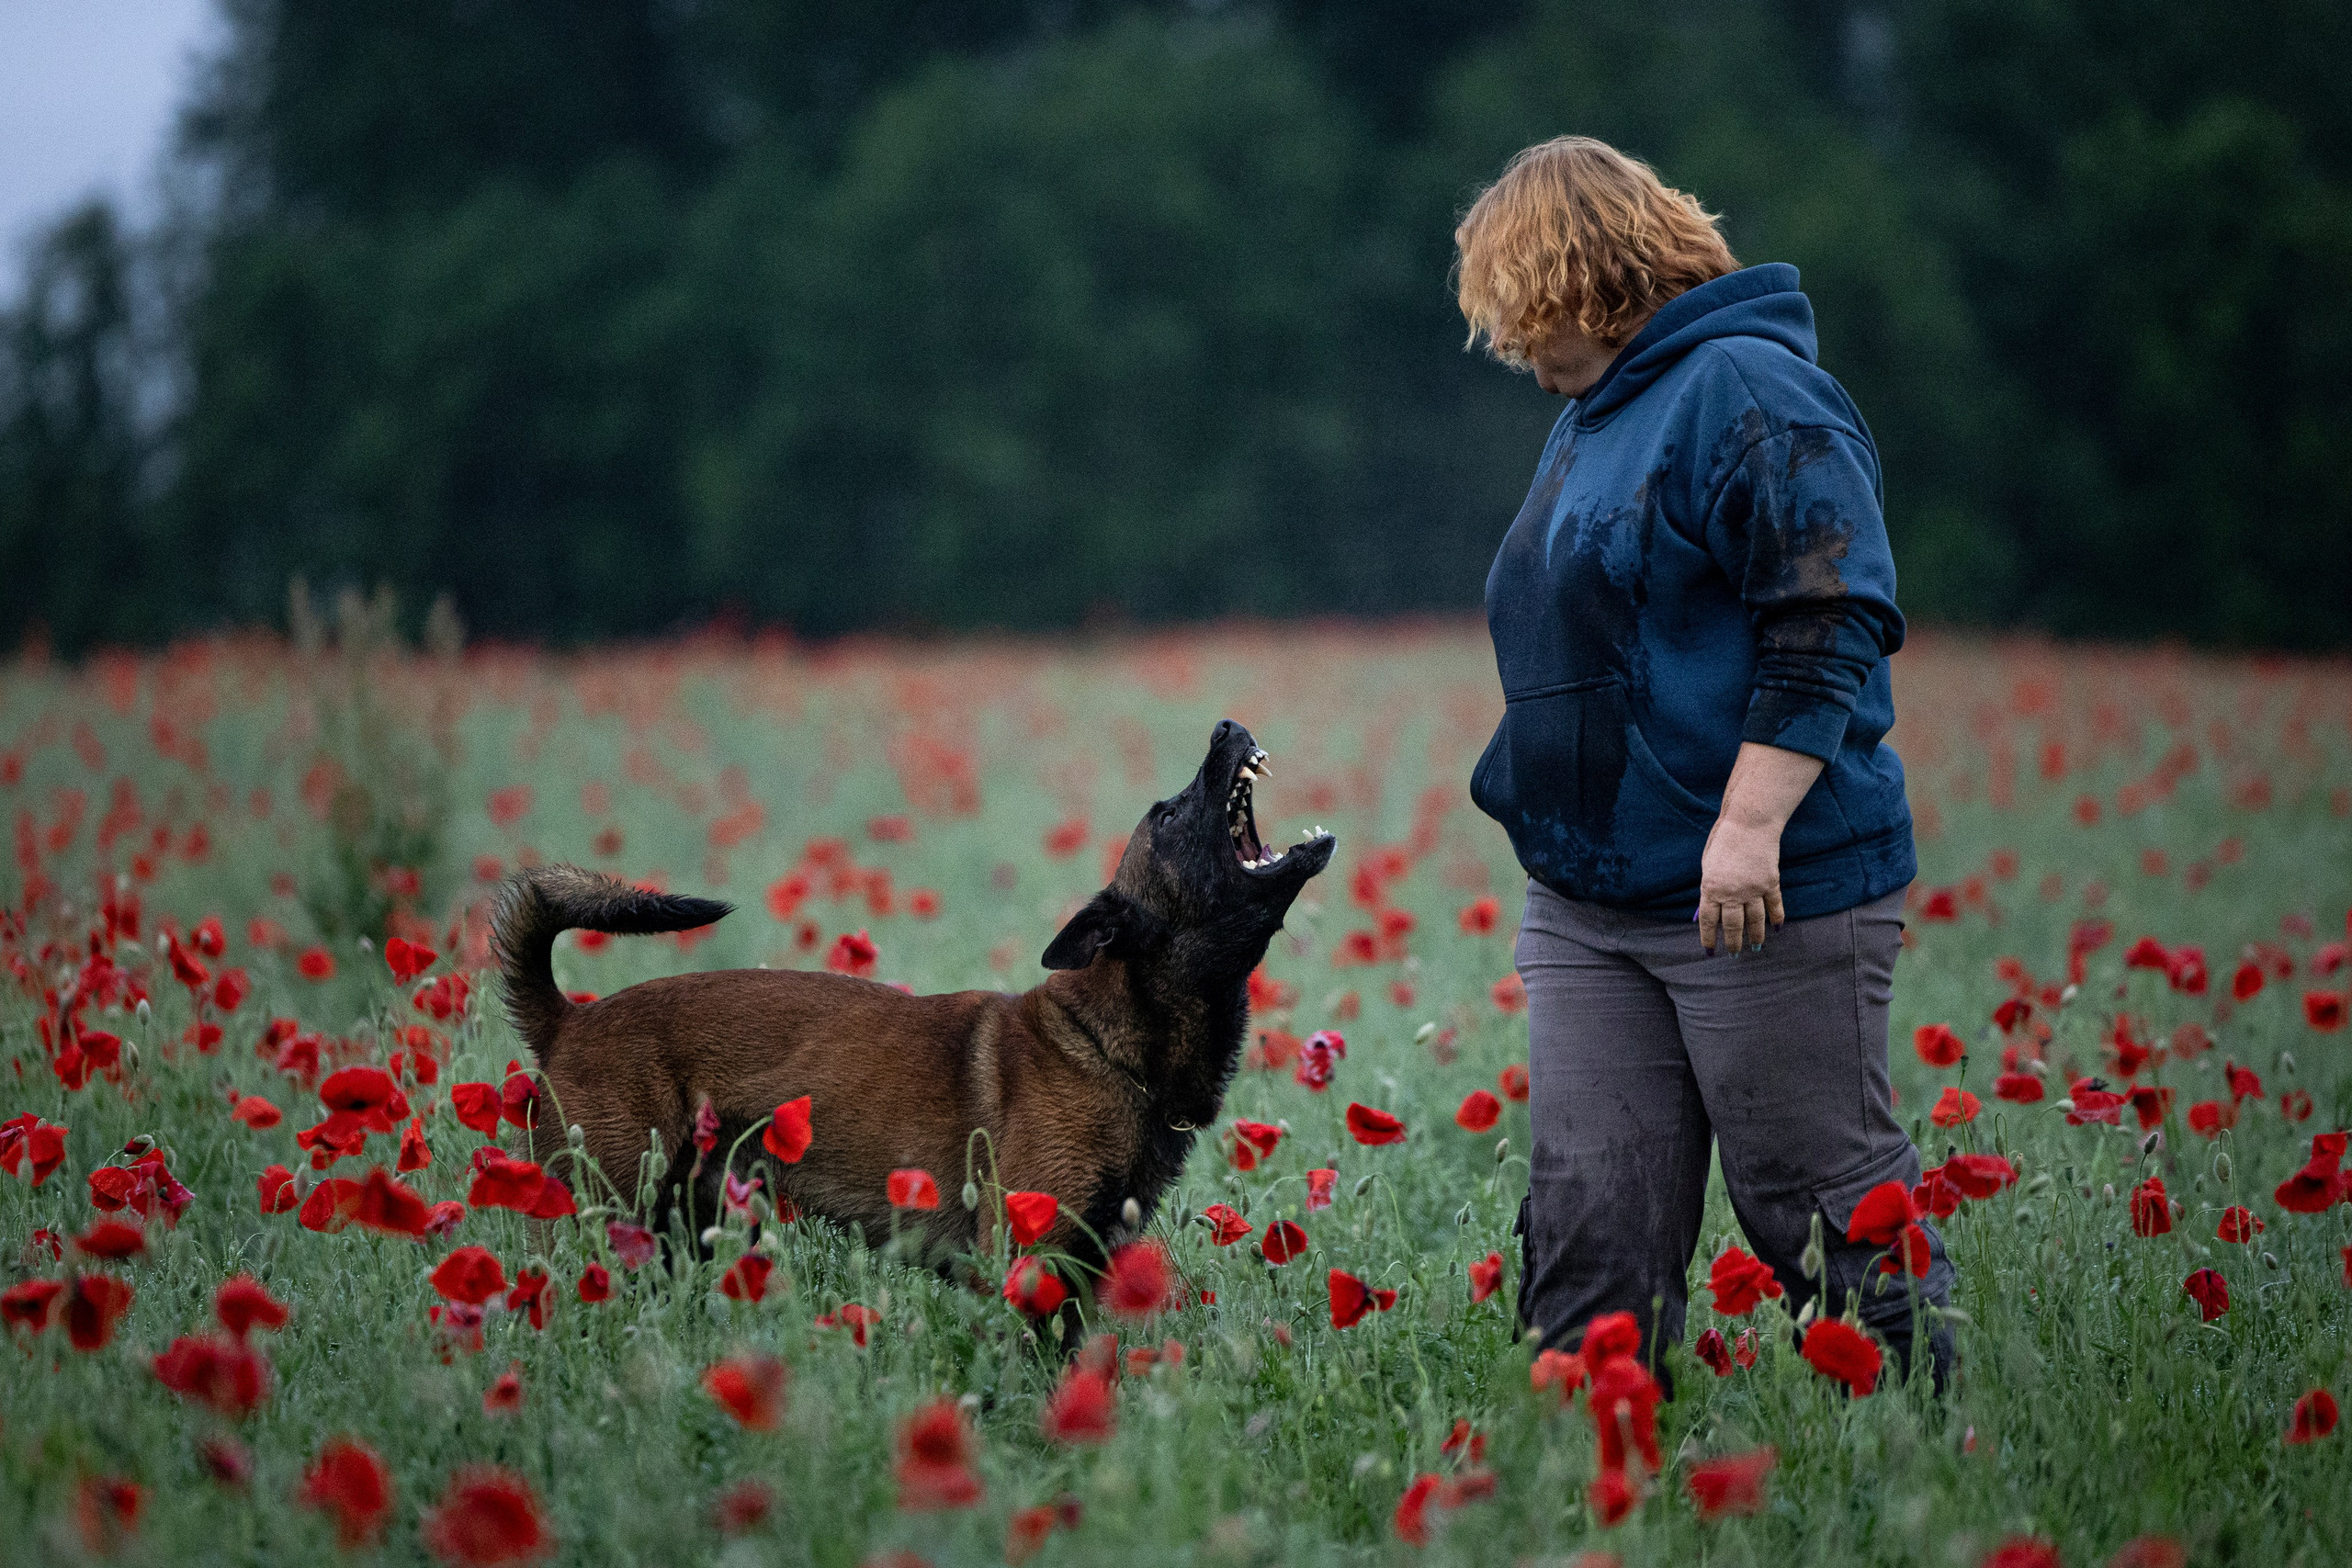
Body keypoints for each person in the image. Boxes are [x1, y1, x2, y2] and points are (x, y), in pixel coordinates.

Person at [1453, 136, 1952, 1388]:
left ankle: (1941, 1447)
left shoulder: (1748, 387)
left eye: (1515, 312)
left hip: (1756, 888)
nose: (1510, 349)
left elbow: (1828, 613)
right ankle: (1596, 1477)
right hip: (1592, 898)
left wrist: (1748, 825)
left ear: (1580, 278)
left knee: (1816, 1201)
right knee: (1588, 1221)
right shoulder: (1601, 412)